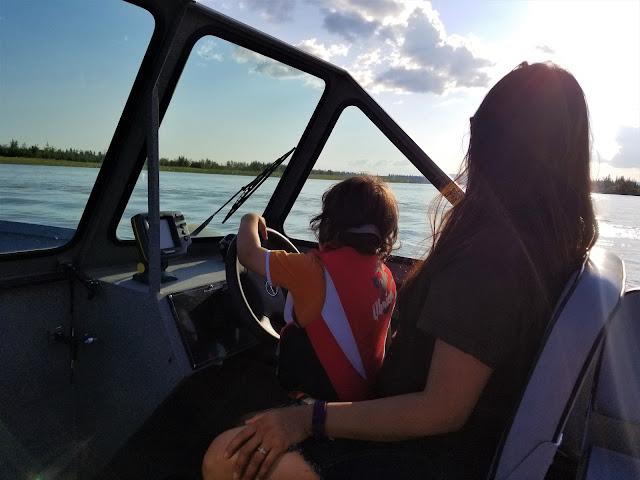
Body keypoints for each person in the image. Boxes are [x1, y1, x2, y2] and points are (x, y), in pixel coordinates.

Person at [202, 61, 599, 480]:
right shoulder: (542, 243)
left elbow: (440, 411)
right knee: (254, 424)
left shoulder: (491, 259)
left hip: (426, 455)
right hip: (447, 441)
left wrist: (306, 420)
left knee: (225, 456)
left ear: (493, 144)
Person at [235, 174, 399, 403]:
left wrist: (249, 219)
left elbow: (248, 253)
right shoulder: (384, 275)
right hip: (364, 397)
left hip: (321, 398)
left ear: (328, 224)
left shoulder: (311, 269)